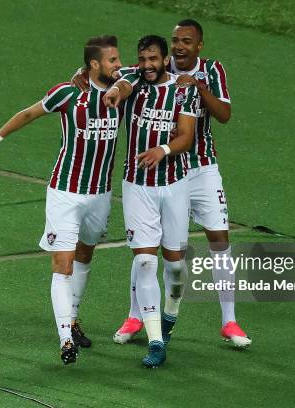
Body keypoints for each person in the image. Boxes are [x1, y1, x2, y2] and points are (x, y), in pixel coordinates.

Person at [0, 35, 123, 365]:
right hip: (65, 192)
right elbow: (28, 114)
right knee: (62, 265)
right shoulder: (67, 93)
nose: (118, 65)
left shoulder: (122, 88)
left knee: (85, 253)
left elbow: (150, 68)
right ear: (94, 64)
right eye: (112, 60)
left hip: (100, 194)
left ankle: (74, 318)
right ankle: (66, 340)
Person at [111, 19, 252, 348]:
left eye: (186, 41)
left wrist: (199, 88)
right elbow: (120, 77)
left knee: (219, 238)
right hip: (163, 171)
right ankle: (135, 316)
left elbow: (225, 115)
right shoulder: (155, 67)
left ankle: (229, 321)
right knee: (148, 249)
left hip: (201, 167)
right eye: (175, 41)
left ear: (199, 45)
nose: (179, 47)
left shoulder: (212, 70)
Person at [103, 34, 199, 367]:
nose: (147, 66)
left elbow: (187, 136)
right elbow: (119, 85)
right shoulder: (132, 80)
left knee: (174, 265)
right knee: (145, 261)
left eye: (153, 59)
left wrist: (163, 149)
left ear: (164, 59)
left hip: (174, 184)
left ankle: (169, 316)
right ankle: (156, 341)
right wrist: (113, 91)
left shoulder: (184, 90)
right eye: (142, 59)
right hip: (137, 186)